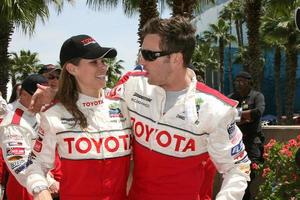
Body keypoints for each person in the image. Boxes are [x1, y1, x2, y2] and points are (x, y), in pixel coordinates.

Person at [109, 16, 250, 200]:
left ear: (175, 59)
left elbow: (237, 166)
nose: (142, 61)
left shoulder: (214, 108)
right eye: (141, 53)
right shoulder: (132, 85)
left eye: (149, 55)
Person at [25, 34, 132, 200]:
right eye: (93, 62)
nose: (103, 66)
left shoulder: (123, 105)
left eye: (103, 61)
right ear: (72, 69)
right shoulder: (53, 114)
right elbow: (36, 164)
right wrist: (40, 190)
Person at [0, 74, 60, 200]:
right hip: (25, 186)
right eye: (38, 97)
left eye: (45, 96)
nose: (44, 101)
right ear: (23, 95)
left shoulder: (36, 113)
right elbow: (19, 162)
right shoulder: (14, 124)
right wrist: (48, 182)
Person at [228, 71, 265, 200]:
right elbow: (227, 114)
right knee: (238, 175)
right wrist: (245, 117)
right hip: (236, 144)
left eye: (242, 81)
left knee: (250, 173)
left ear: (249, 83)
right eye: (236, 81)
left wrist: (238, 115)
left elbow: (258, 111)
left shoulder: (257, 96)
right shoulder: (232, 98)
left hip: (252, 142)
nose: (238, 84)